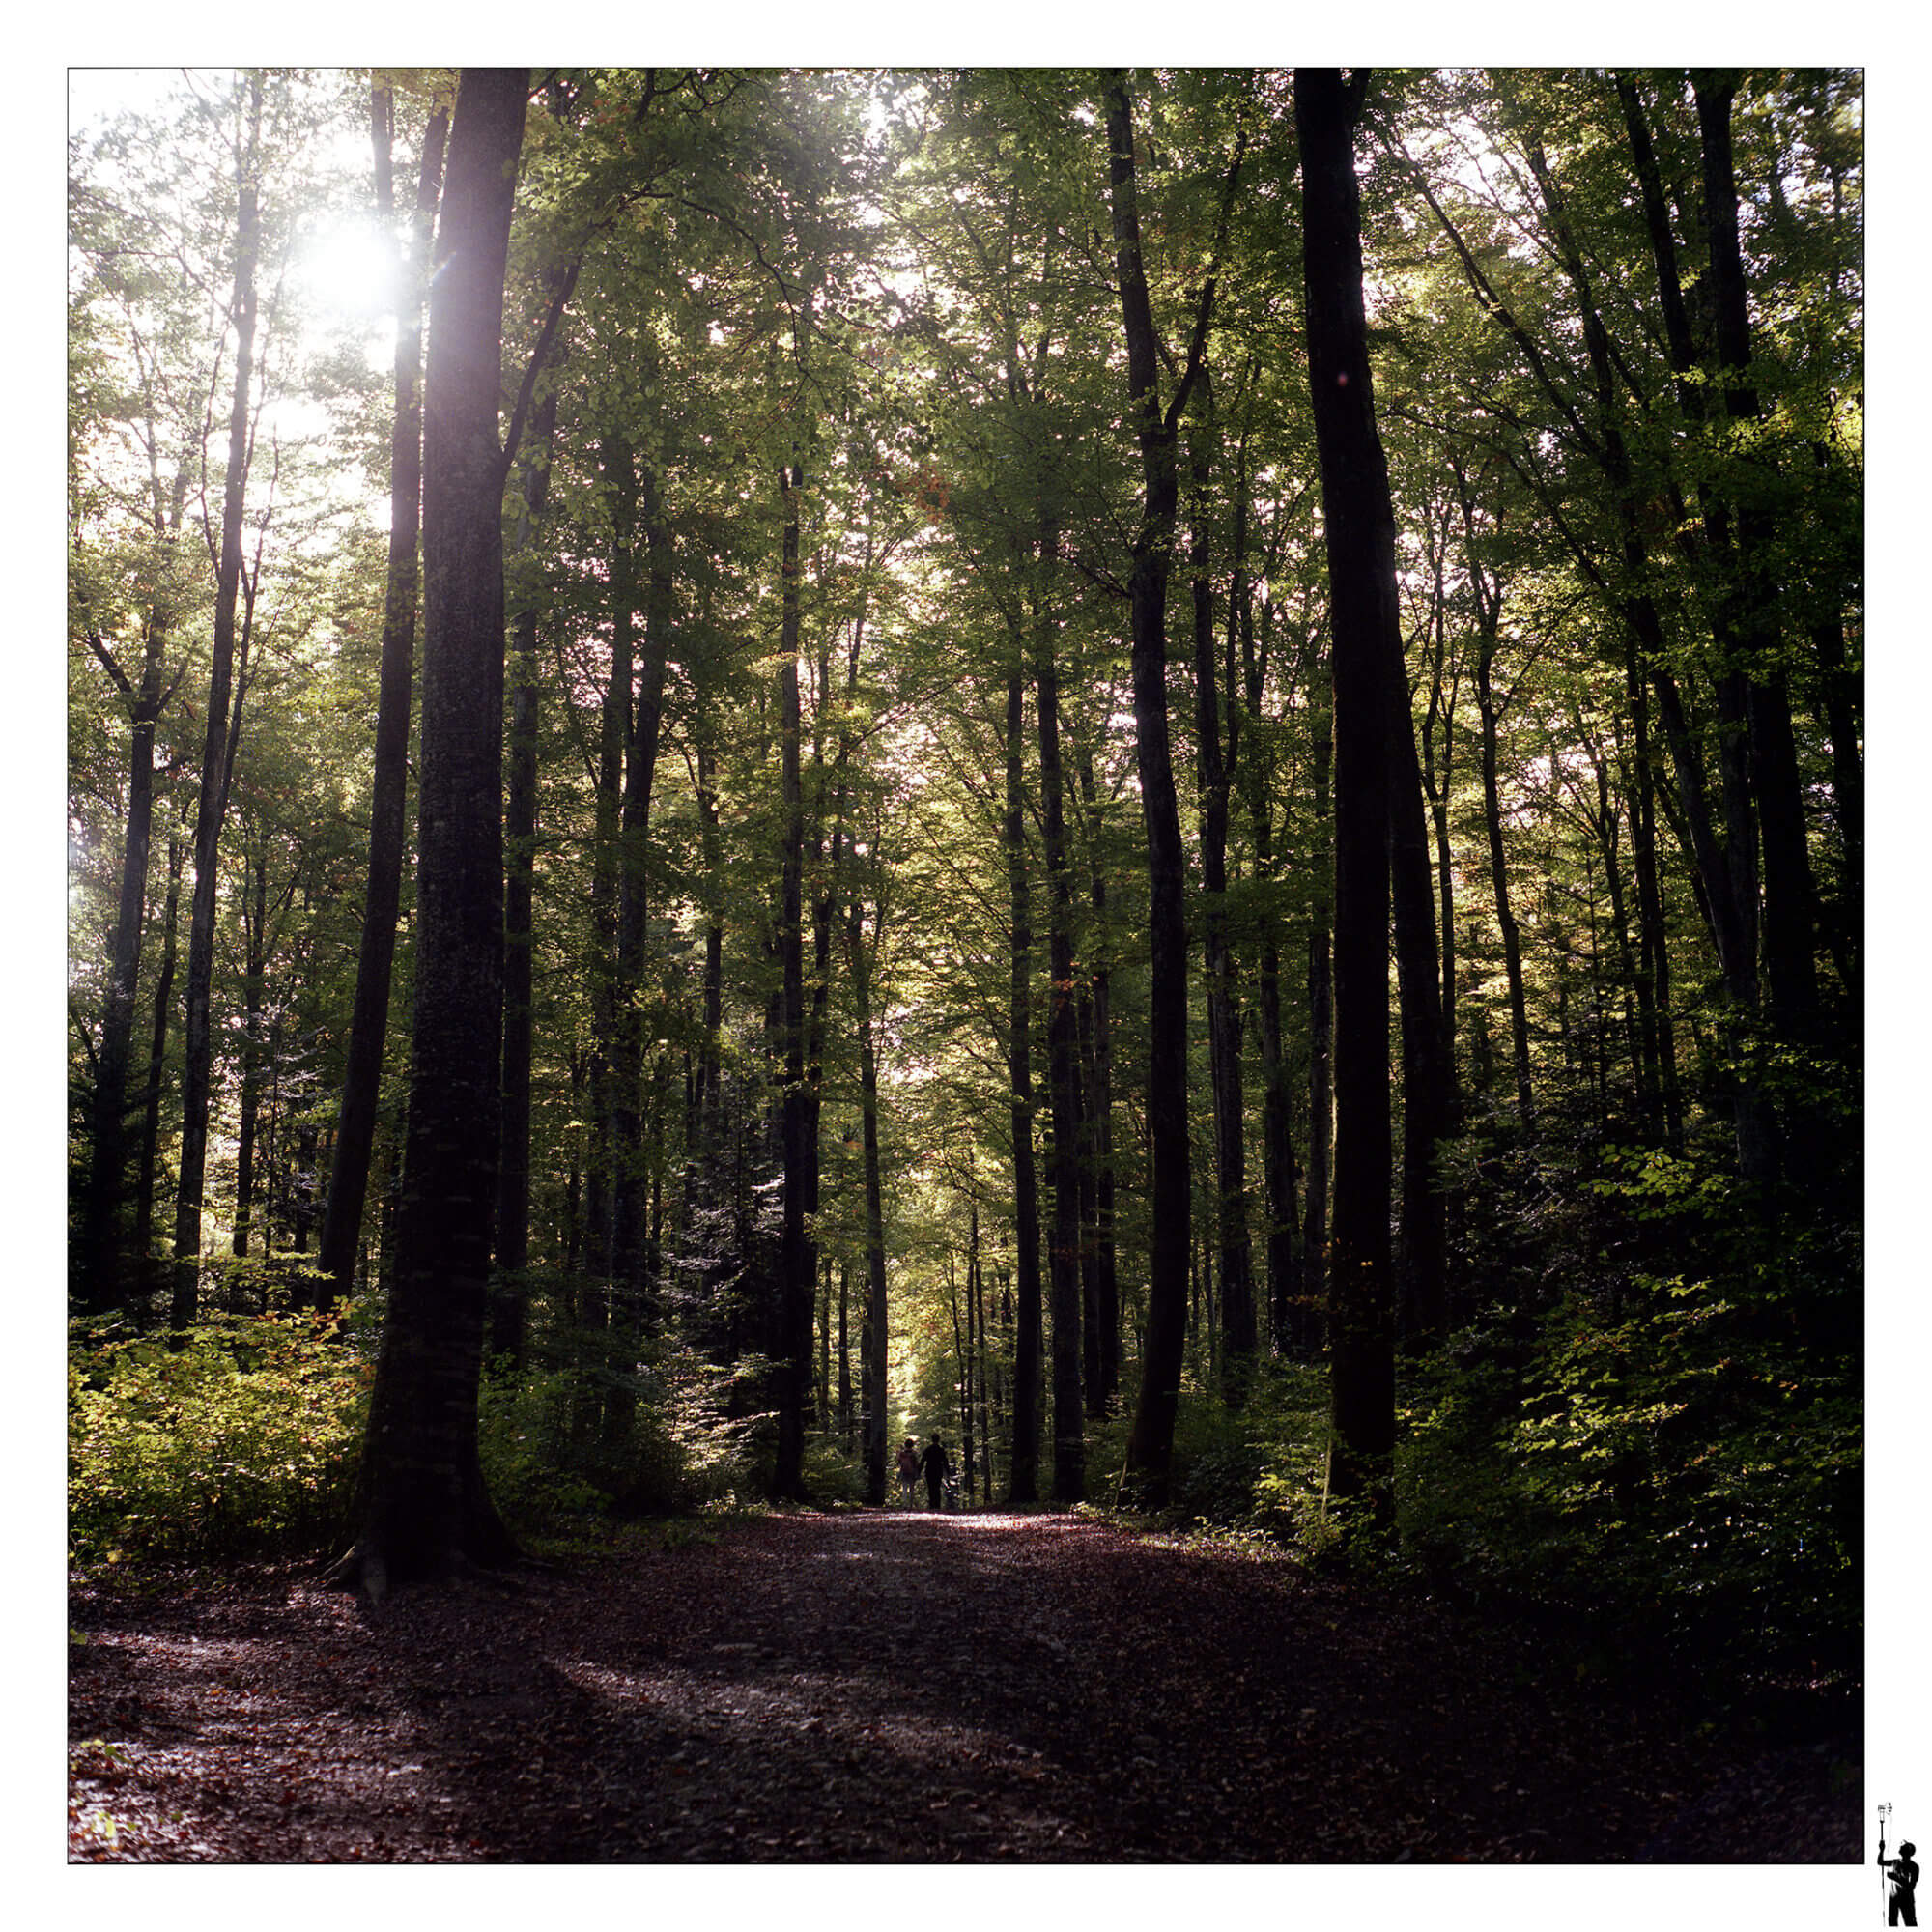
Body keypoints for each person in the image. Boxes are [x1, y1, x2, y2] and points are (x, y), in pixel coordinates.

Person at [1882, 1838, 1919, 1925]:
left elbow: (1911, 1887)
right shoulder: (1895, 1862)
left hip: (1906, 1900)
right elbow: (1880, 1862)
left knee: (1910, 1923)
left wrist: (1895, 1878)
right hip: (1894, 1899)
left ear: (1908, 1851)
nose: (1900, 1847)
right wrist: (1881, 1850)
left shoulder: (1914, 1867)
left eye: (1903, 1847)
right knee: (1892, 1922)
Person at [919, 1435, 951, 1511]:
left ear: (932, 1439)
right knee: (937, 1487)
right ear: (938, 1440)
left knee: (931, 1488)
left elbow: (922, 1461)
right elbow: (945, 1461)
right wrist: (947, 1472)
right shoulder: (941, 1450)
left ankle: (932, 1505)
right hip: (938, 1470)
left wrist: (918, 1471)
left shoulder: (928, 1449)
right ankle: (937, 1505)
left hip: (929, 1470)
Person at [895, 1437, 920, 1507]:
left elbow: (899, 1462)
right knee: (912, 1488)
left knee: (904, 1488)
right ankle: (910, 1504)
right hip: (912, 1472)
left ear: (905, 1445)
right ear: (912, 1445)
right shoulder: (914, 1453)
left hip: (904, 1472)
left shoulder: (902, 1453)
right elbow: (916, 1464)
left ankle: (904, 1504)